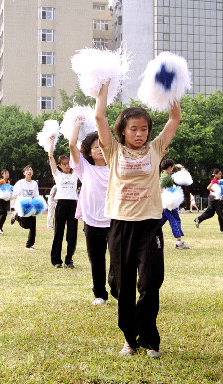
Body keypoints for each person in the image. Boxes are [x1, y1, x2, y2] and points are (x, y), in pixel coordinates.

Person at [95, 81, 182, 358]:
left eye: (144, 128)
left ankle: (150, 337)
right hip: (121, 225)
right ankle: (129, 339)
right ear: (122, 130)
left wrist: (171, 89)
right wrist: (104, 85)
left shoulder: (156, 149)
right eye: (133, 128)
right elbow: (100, 117)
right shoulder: (113, 151)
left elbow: (174, 118)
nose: (140, 133)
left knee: (151, 282)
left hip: (150, 225)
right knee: (123, 286)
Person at [69, 117, 110, 305]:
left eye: (102, 145)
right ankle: (99, 294)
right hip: (92, 222)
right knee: (97, 260)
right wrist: (77, 124)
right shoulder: (85, 169)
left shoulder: (116, 168)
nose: (99, 149)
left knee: (119, 259)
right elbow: (72, 145)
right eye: (95, 147)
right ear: (89, 152)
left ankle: (116, 286)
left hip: (115, 221)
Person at [48, 139, 78, 268]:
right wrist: (51, 143)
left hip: (73, 205)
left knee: (72, 235)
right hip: (60, 204)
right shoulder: (57, 175)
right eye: (64, 164)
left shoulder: (76, 174)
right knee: (58, 233)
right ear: (60, 165)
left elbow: (78, 155)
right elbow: (50, 158)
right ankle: (56, 260)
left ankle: (69, 260)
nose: (67, 166)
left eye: (69, 163)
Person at [160, 159, 189, 250]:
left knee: (159, 222)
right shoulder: (165, 177)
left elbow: (179, 178)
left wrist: (182, 169)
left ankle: (146, 235)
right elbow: (159, 187)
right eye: (172, 167)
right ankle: (179, 243)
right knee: (175, 221)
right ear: (169, 167)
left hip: (167, 204)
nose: (172, 169)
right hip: (169, 204)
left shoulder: (165, 175)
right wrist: (165, 198)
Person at [11, 165, 39, 250]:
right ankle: (16, 216)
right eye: (27, 170)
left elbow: (36, 195)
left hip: (32, 207)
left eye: (31, 170)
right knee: (25, 225)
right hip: (22, 207)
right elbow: (14, 195)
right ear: (24, 173)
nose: (29, 171)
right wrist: (22, 200)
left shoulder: (34, 183)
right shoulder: (20, 183)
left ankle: (29, 245)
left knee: (33, 227)